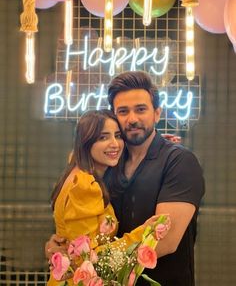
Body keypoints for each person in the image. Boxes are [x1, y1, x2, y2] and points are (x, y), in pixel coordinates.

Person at [46, 71, 205, 286]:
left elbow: (164, 241)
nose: (132, 119)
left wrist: (84, 259)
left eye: (141, 109)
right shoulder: (108, 164)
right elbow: (85, 227)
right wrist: (65, 250)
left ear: (157, 114)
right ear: (114, 116)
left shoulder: (179, 162)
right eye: (123, 111)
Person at [46, 109, 160, 286]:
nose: (115, 144)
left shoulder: (79, 172)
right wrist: (143, 234)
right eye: (103, 137)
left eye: (117, 136)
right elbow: (87, 259)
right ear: (86, 143)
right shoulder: (84, 185)